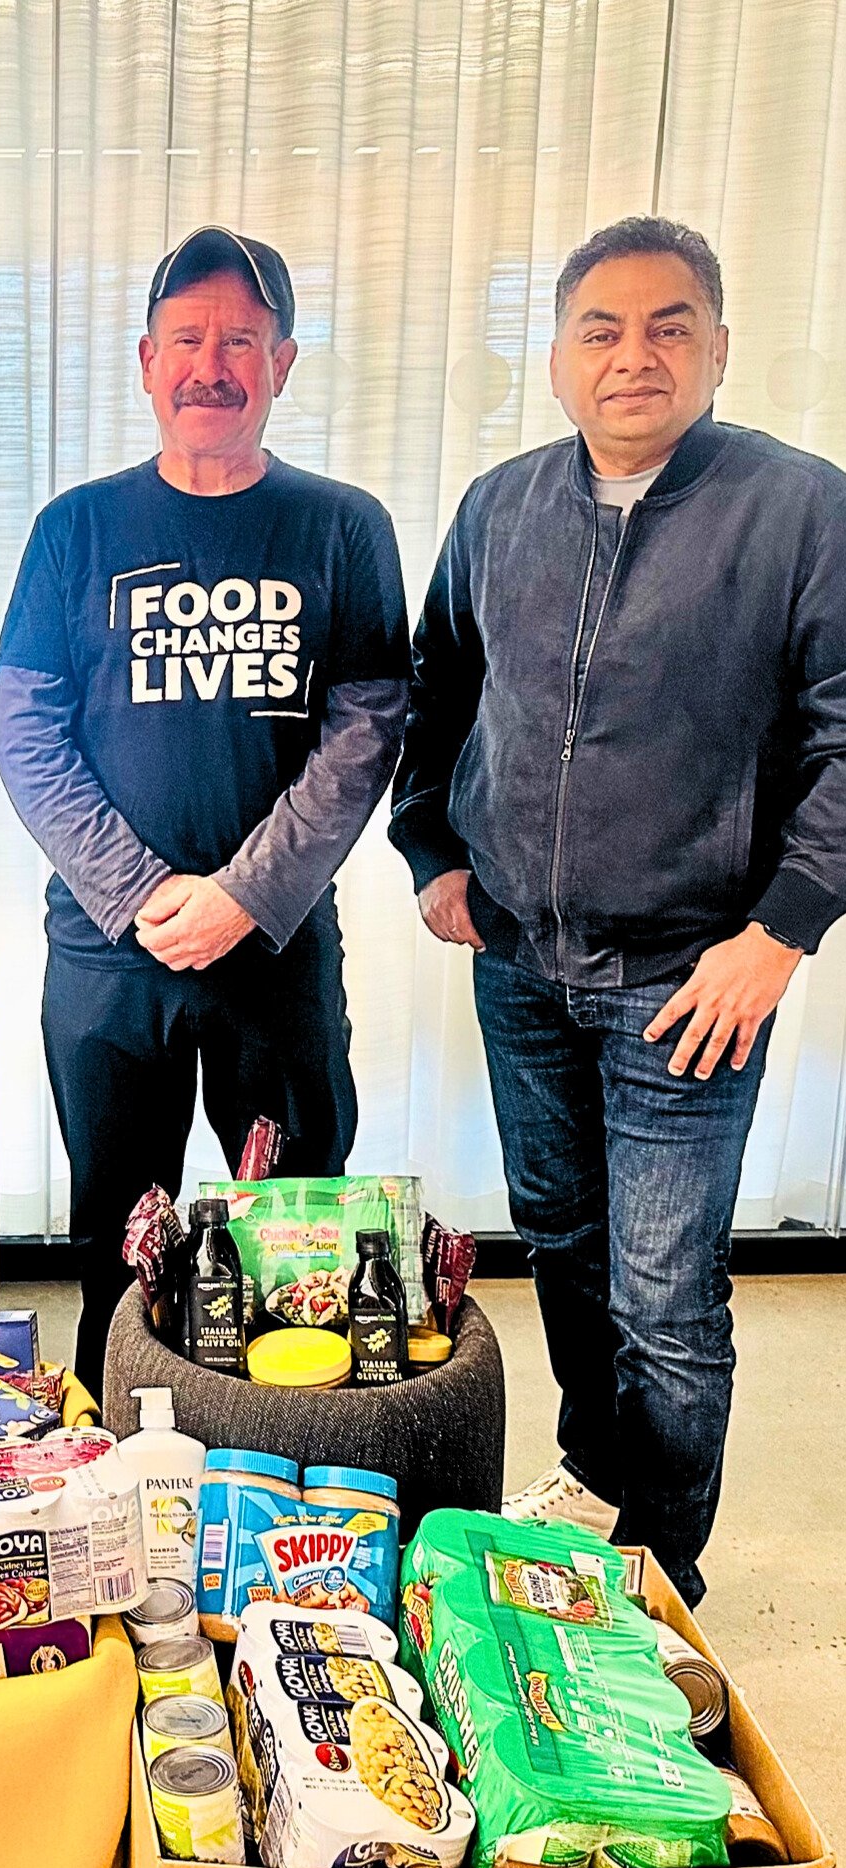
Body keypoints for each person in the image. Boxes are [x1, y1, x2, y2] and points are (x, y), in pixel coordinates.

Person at [391, 216, 846, 1604]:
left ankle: (658, 1578)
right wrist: (432, 848)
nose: (632, 355)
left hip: (691, 978)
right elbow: (438, 687)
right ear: (558, 357)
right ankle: (597, 1480)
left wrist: (783, 929)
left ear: (719, 348)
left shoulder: (799, 510)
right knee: (566, 1251)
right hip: (522, 962)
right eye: (601, 327)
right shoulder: (500, 507)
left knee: (664, 1294)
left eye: (667, 325)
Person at [0, 226, 410, 1397]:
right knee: (114, 1248)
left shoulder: (342, 527)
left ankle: (282, 1461)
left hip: (274, 954)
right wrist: (140, 893)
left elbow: (368, 728)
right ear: (146, 361)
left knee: (297, 1250)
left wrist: (243, 895)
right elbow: (25, 731)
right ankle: (116, 1464)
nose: (210, 366)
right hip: (107, 960)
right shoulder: (76, 531)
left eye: (239, 340)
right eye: (186, 339)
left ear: (283, 363)